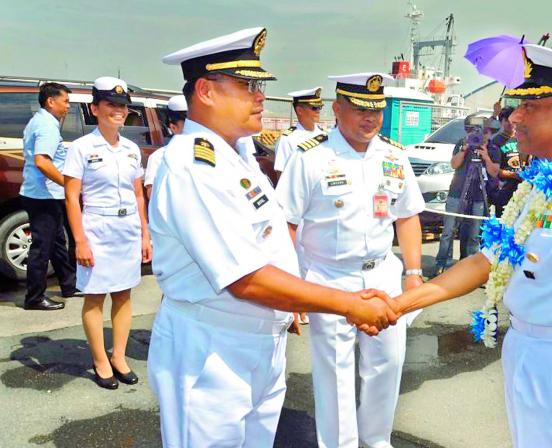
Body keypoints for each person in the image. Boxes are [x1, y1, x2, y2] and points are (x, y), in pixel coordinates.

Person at [391, 44, 552, 448]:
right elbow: (486, 261)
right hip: (523, 351)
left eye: (530, 106)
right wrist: (400, 305)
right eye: (518, 105)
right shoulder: (538, 182)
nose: (514, 116)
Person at [147, 28, 398, 448]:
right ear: (206, 91)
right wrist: (347, 304)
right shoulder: (193, 166)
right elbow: (245, 278)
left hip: (258, 339)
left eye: (259, 85)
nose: (260, 96)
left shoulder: (236, 157)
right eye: (247, 85)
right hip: (213, 349)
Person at [277, 72, 425, 448]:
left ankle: (376, 441)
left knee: (387, 367)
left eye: (377, 110)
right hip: (328, 278)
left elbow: (407, 216)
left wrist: (414, 274)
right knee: (336, 374)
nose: (370, 118)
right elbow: (287, 226)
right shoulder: (311, 157)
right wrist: (292, 290)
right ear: (337, 109)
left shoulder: (393, 156)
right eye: (360, 109)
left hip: (383, 277)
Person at [62, 77, 152, 389]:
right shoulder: (82, 148)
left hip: (127, 229)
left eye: (122, 105)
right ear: (95, 108)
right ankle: (100, 360)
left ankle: (119, 356)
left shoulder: (131, 149)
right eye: (111, 104)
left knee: (125, 294)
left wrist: (145, 234)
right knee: (95, 297)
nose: (118, 110)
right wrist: (80, 240)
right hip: (97, 229)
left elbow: (138, 195)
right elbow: (72, 197)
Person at [19, 82, 81, 310]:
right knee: (42, 247)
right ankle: (34, 297)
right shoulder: (46, 126)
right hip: (42, 195)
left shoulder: (44, 122)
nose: (68, 106)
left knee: (56, 242)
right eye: (65, 101)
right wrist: (68, 185)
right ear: (50, 101)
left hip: (45, 194)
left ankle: (69, 285)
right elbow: (42, 161)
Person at [433, 114, 499, 274]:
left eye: (480, 131)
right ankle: (443, 263)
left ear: (488, 132)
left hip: (478, 195)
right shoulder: (462, 144)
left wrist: (486, 157)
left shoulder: (493, 149)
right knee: (448, 230)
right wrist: (464, 149)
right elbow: (454, 164)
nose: (476, 134)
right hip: (457, 192)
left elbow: (494, 172)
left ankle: (469, 268)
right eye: (470, 130)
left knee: (475, 233)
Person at [272, 86, 326, 178]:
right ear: (299, 110)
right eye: (314, 107)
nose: (318, 111)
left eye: (319, 107)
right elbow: (281, 176)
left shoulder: (325, 135)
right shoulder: (287, 140)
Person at [144, 95, 187, 199]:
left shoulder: (210, 154)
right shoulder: (159, 157)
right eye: (188, 124)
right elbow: (153, 195)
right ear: (173, 127)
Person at [486, 106, 525, 216]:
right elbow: (493, 170)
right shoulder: (496, 141)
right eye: (506, 120)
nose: (510, 123)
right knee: (504, 219)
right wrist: (513, 175)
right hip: (503, 188)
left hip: (522, 187)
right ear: (501, 122)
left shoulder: (522, 138)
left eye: (513, 120)